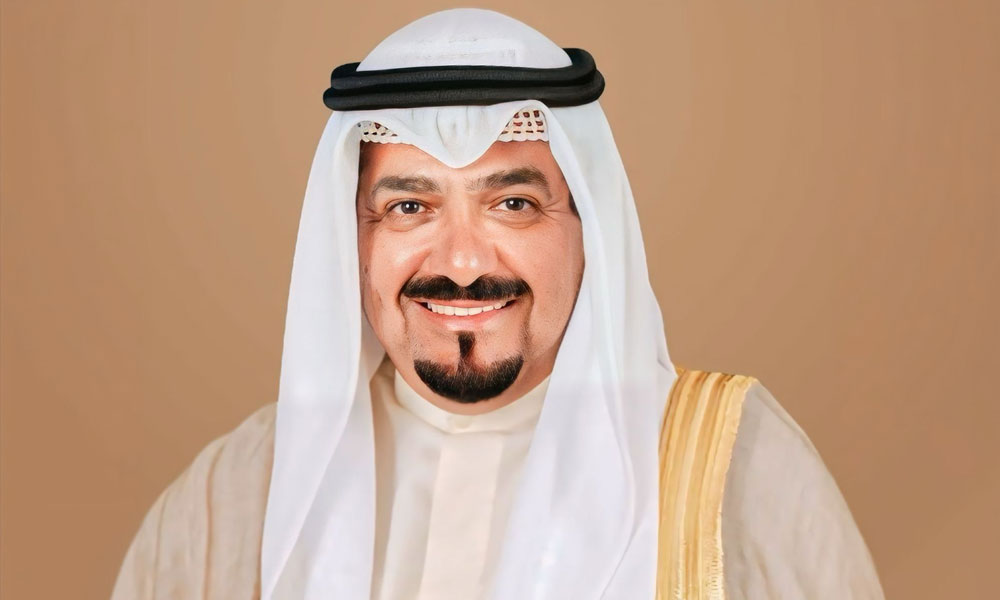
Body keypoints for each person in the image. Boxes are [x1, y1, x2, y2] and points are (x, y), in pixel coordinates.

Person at [112, 9, 884, 600]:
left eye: (513, 204)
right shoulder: (233, 495)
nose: (462, 264)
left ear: (588, 230)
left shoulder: (736, 464)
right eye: (409, 208)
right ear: (352, 239)